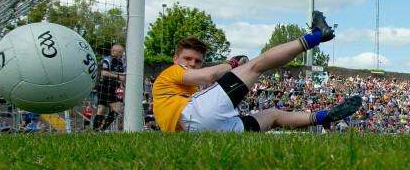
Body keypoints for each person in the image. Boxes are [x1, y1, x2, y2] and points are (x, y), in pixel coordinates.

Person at [153, 11, 362, 132]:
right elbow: (208, 75)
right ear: (175, 60)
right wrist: (233, 62)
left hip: (199, 130)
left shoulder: (184, 91)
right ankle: (316, 36)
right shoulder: (170, 72)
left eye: (197, 61)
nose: (191, 64)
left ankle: (322, 116)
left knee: (272, 116)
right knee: (256, 65)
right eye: (187, 59)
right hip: (194, 117)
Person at [93, 43, 126, 131]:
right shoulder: (107, 59)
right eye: (119, 52)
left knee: (117, 109)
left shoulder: (120, 62)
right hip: (103, 87)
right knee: (102, 110)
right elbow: (104, 73)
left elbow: (122, 75)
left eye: (122, 52)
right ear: (113, 51)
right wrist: (118, 77)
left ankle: (103, 129)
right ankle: (96, 129)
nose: (121, 54)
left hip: (113, 88)